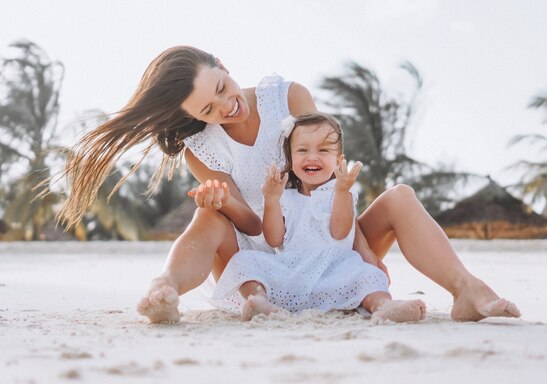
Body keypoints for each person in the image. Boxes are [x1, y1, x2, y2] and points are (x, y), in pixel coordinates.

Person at [58, 45, 520, 324]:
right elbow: (252, 225)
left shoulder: (288, 97)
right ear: (193, 120)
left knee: (400, 196)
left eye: (222, 87)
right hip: (262, 260)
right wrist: (224, 202)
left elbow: (327, 177)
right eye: (207, 110)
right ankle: (165, 288)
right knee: (209, 212)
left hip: (325, 241)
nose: (226, 107)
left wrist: (360, 253)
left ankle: (466, 289)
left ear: (222, 63)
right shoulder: (202, 146)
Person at [211, 112, 426, 322]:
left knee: (368, 275)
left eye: (323, 150)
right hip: (291, 273)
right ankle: (260, 301)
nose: (312, 156)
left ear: (338, 160)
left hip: (335, 272)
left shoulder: (341, 193)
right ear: (291, 159)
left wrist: (342, 192)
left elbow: (340, 233)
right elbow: (273, 240)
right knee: (244, 260)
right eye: (302, 150)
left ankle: (383, 306)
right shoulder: (285, 197)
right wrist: (271, 200)